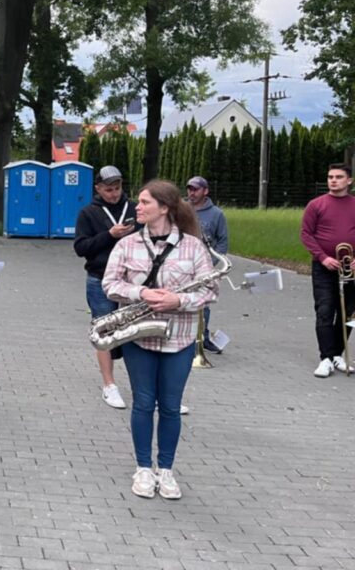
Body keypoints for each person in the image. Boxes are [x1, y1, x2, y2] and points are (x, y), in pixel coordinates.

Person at [102, 180, 218, 501]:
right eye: (138, 202)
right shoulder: (127, 245)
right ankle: (143, 468)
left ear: (164, 208)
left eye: (144, 203)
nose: (137, 207)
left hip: (179, 338)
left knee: (170, 406)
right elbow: (109, 284)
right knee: (142, 402)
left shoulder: (193, 247)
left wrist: (178, 301)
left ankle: (165, 470)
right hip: (139, 336)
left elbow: (210, 290)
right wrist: (140, 292)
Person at [73, 165, 137, 409]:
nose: (114, 194)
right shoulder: (88, 213)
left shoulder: (133, 209)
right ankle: (109, 385)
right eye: (109, 189)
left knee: (134, 332)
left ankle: (142, 386)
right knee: (104, 332)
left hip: (132, 281)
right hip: (99, 279)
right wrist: (109, 235)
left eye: (118, 188)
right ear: (98, 189)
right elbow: (81, 248)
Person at [300, 163, 355, 378]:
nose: (333, 180)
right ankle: (325, 358)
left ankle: (337, 354)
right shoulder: (316, 205)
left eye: (339, 177)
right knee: (325, 310)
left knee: (348, 312)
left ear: (349, 181)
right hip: (324, 267)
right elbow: (306, 234)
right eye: (330, 177)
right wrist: (323, 257)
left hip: (350, 267)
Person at [185, 176, 229, 354]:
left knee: (204, 303)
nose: (191, 193)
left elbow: (222, 242)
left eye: (195, 189)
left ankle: (202, 337)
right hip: (182, 264)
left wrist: (210, 263)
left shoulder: (217, 214)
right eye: (189, 189)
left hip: (204, 266)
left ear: (205, 191)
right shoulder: (181, 209)